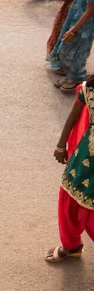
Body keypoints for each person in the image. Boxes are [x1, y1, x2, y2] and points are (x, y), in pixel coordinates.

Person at [47, 76, 94, 263]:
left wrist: (61, 146)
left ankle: (71, 246)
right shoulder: (88, 89)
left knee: (75, 204)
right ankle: (71, 246)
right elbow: (73, 117)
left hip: (86, 158)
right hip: (86, 161)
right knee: (72, 202)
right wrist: (60, 146)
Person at [50, 0, 94, 92]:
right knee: (68, 49)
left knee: (76, 52)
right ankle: (71, 75)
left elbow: (89, 12)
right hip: (75, 19)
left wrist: (74, 31)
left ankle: (77, 79)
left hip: (83, 27)